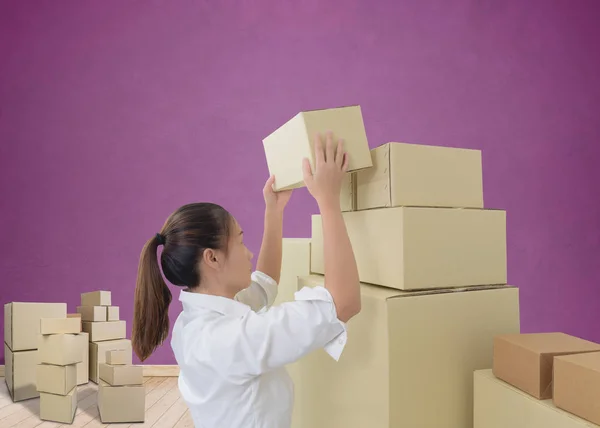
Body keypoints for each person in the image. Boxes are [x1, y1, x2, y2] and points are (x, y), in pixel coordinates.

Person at [131, 132, 361, 428]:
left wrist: (274, 211)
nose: (249, 253)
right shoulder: (232, 339)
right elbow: (343, 304)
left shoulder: (195, 323)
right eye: (240, 242)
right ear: (212, 258)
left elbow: (263, 286)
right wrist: (328, 200)